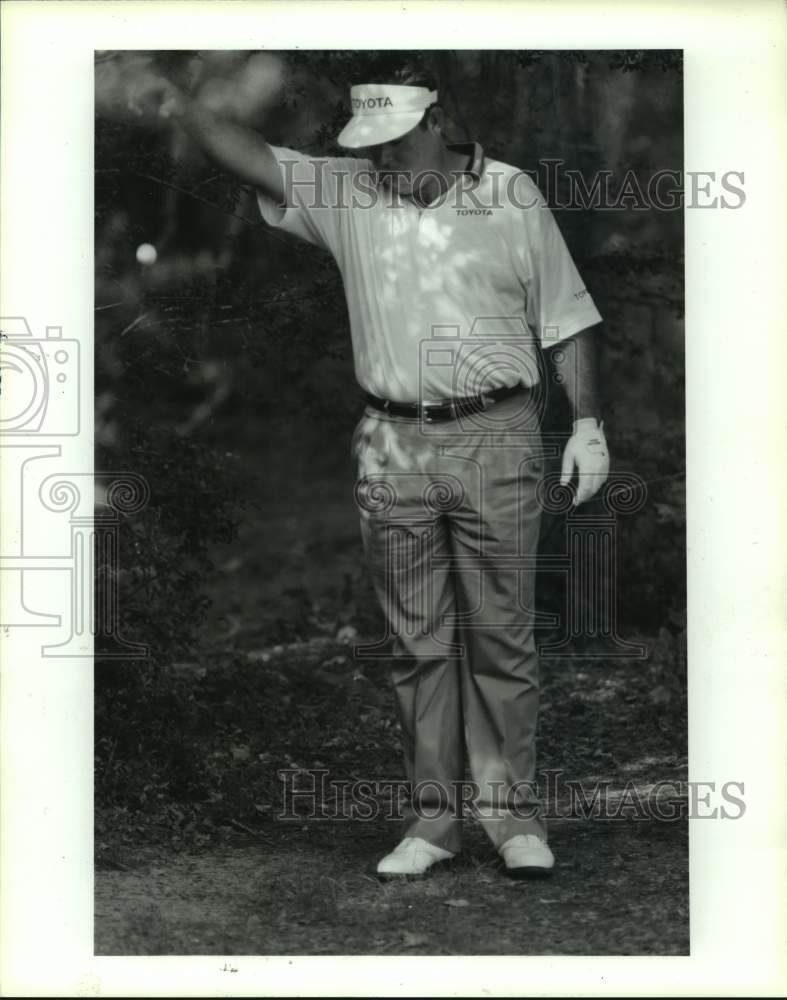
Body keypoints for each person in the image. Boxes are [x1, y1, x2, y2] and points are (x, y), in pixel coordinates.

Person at [130, 64, 609, 880]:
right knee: (416, 643)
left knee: (500, 635)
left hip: (496, 435)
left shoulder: (511, 194)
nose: (382, 161)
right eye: (370, 148)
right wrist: (177, 101)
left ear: (436, 123)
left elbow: (566, 318)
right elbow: (249, 155)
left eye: (393, 145)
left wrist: (588, 427)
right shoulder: (349, 192)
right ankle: (432, 826)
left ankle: (511, 818)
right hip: (391, 442)